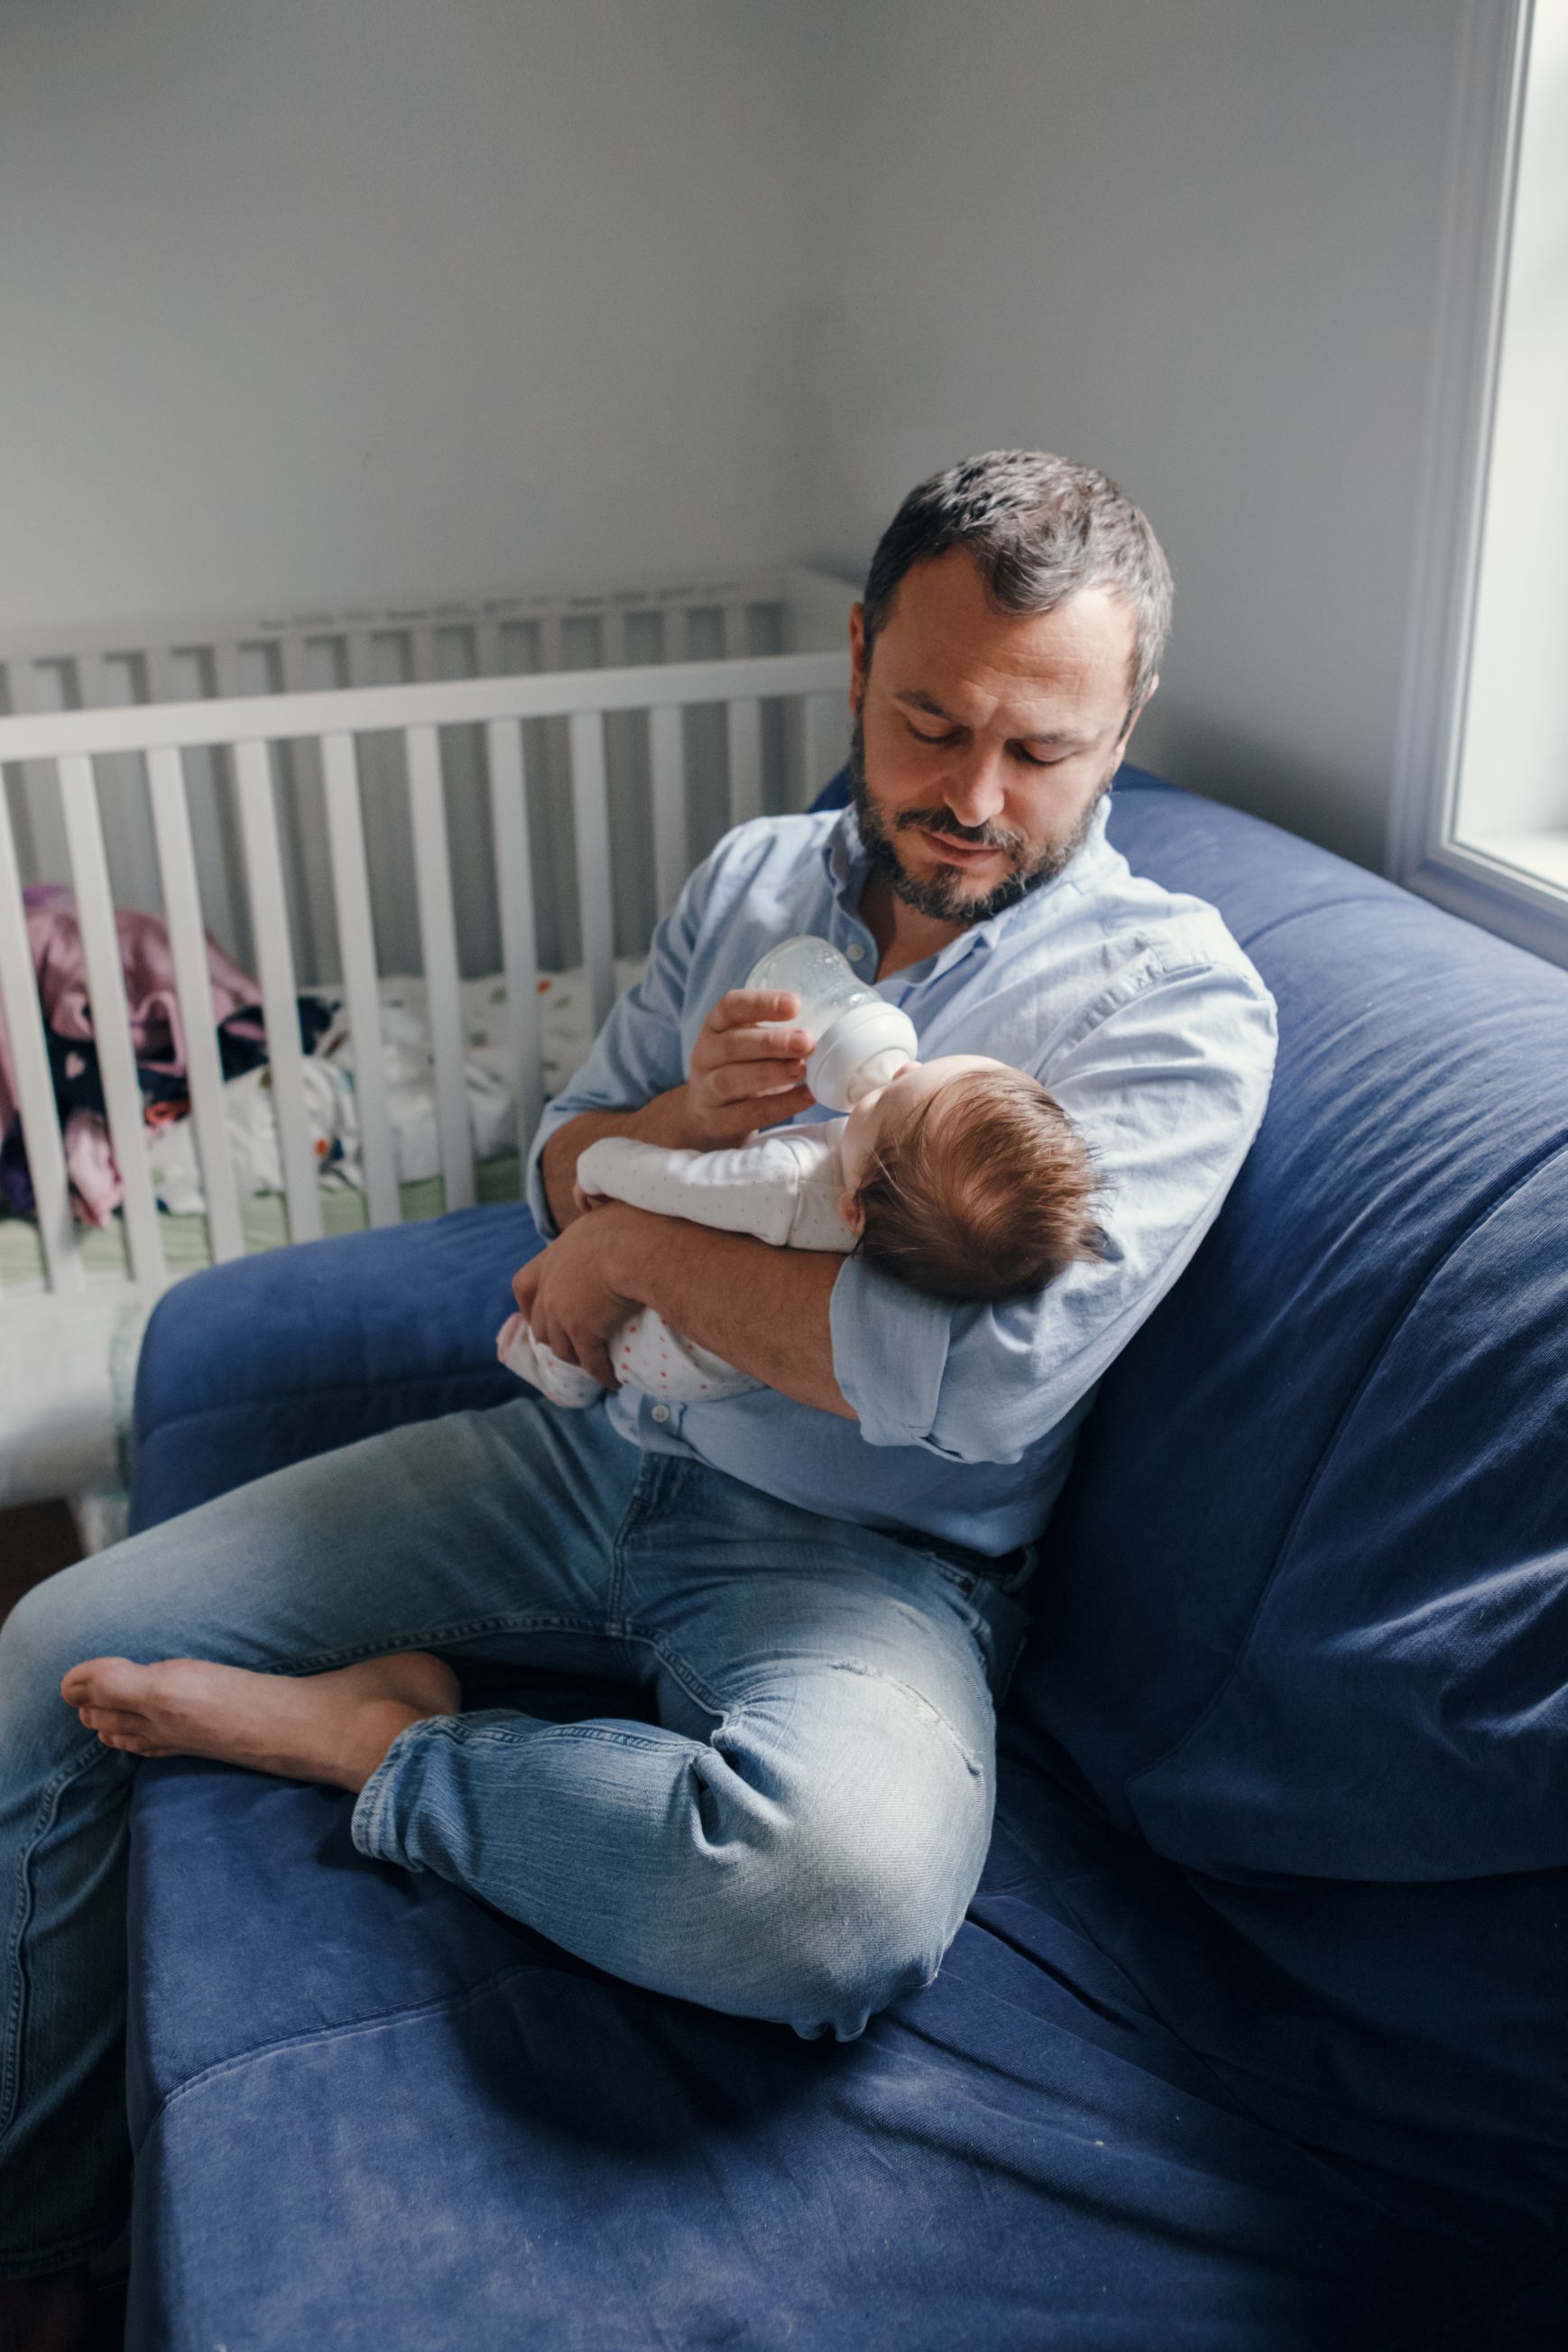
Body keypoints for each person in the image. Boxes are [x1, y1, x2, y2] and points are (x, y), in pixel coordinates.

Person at [0, 449, 1276, 2347]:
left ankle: (376, 1746)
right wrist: (666, 1134)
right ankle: (43, 2245)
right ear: (853, 657)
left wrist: (639, 1255)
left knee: (832, 1902)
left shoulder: (1171, 1004)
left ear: (1124, 727)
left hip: (861, 1560)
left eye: (1042, 750)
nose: (971, 798)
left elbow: (979, 1385)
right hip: (582, 1454)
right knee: (46, 1645)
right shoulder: (755, 875)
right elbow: (555, 1155)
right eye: (927, 723)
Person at [496, 1051, 1103, 1406]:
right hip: (725, 1373)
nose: (899, 1069)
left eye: (886, 1102)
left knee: (587, 1342)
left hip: (664, 1346)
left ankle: (552, 1371)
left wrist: (601, 1164)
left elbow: (676, 1181)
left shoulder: (783, 1182)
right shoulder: (909, 1225)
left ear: (853, 1210)